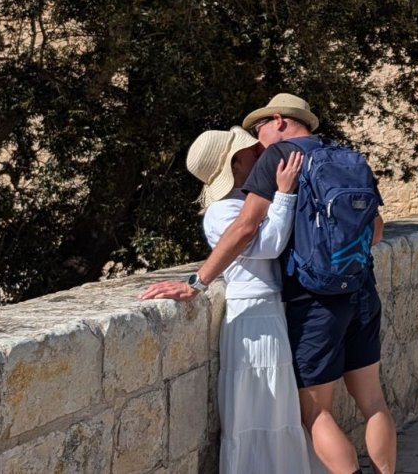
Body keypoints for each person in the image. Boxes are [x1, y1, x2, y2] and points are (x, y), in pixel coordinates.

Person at [144, 127, 312, 473]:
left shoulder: (243, 201)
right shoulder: (222, 211)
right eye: (251, 152)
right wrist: (284, 195)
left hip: (267, 310)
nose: (259, 155)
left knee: (276, 408)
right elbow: (267, 246)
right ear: (236, 163)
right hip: (253, 316)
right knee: (258, 409)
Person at [245, 95, 395, 474]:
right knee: (374, 402)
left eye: (256, 128)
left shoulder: (279, 157)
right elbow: (375, 231)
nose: (255, 138)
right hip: (360, 287)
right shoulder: (347, 158)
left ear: (278, 121)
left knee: (316, 412)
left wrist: (199, 280)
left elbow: (246, 227)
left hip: (314, 299)